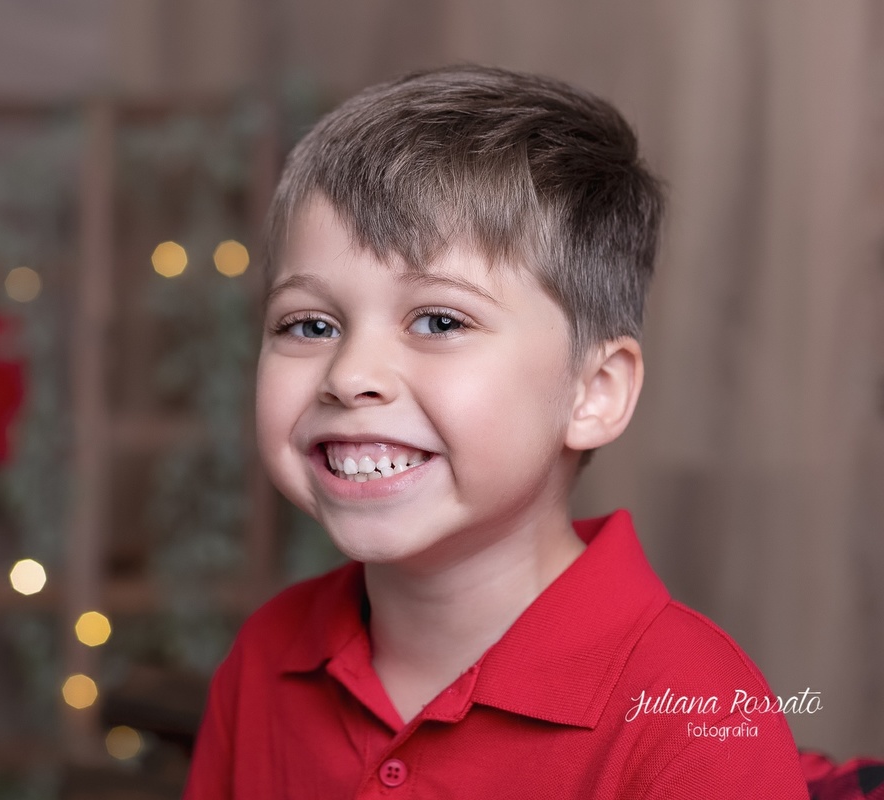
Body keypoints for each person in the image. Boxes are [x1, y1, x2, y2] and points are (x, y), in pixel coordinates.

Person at [182, 65, 809, 798]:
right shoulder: (266, 656)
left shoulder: (699, 718)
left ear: (594, 393)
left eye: (438, 320)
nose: (349, 376)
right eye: (310, 325)